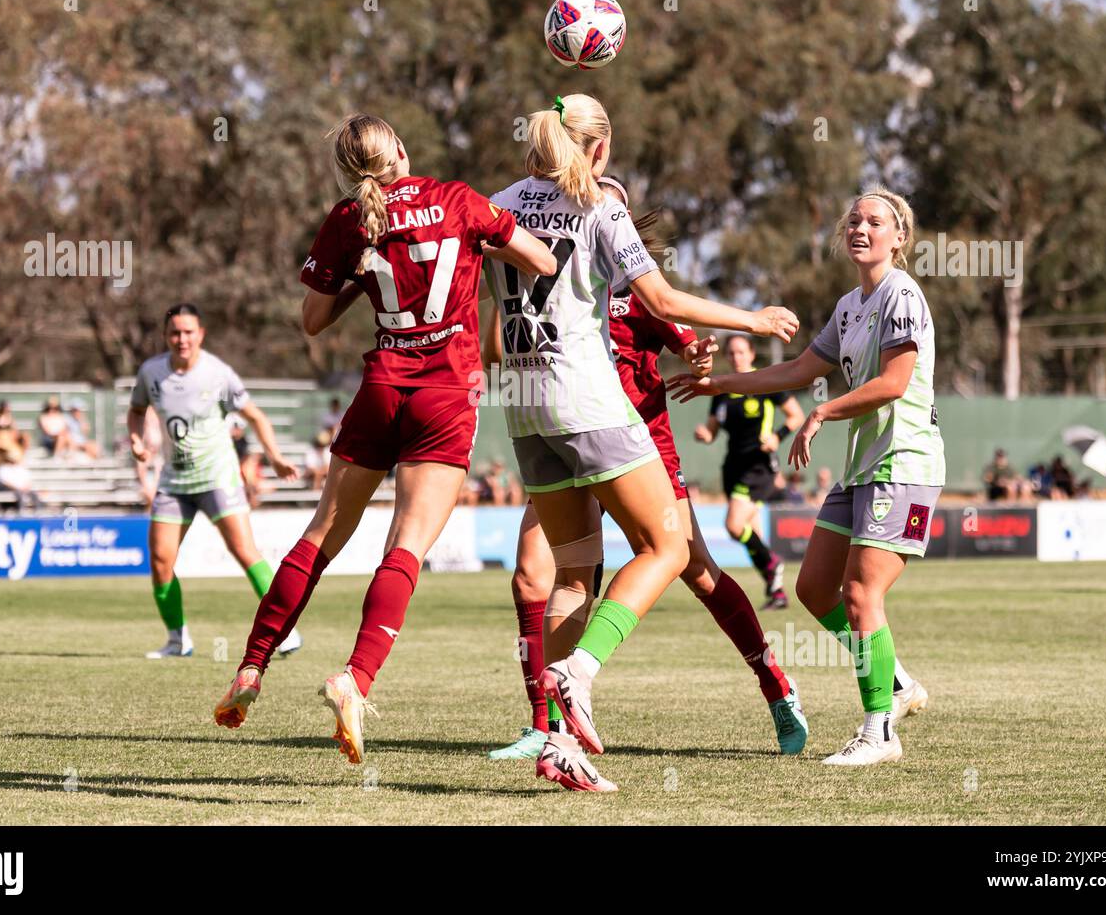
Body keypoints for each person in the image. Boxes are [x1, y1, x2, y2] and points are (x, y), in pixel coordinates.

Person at [213, 112, 558, 764]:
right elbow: (540, 260)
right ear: (400, 148)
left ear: (352, 170)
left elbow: (312, 320)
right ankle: (355, 678)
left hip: (380, 388)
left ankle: (251, 669)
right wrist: (485, 246)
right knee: (405, 546)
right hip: (445, 391)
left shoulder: (350, 221)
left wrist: (361, 271)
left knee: (319, 536)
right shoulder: (458, 199)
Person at [484, 94, 798, 791]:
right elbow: (663, 301)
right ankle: (581, 668)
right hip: (586, 398)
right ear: (598, 149)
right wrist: (753, 316)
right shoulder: (599, 204)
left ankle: (557, 745)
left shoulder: (498, 201)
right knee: (671, 546)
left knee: (572, 573)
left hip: (525, 405)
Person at [670, 185, 940, 766]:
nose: (860, 229)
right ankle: (894, 685)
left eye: (874, 221)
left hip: (905, 463)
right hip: (863, 465)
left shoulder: (903, 295)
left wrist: (823, 411)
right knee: (815, 589)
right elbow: (796, 369)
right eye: (853, 221)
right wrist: (718, 385)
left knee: (862, 592)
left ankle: (879, 733)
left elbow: (894, 382)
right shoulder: (849, 307)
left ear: (899, 237)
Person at [128, 303, 304, 659]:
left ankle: (285, 632)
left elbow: (255, 416)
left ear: (201, 334)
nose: (182, 339)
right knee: (161, 560)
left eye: (189, 332)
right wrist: (136, 440)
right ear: (166, 336)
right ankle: (178, 640)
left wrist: (275, 456)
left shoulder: (218, 374)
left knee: (244, 551)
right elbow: (135, 411)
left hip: (217, 477)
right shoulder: (151, 373)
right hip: (174, 480)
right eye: (175, 332)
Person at [694, 334, 805, 608]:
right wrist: (703, 434)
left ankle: (772, 563)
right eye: (731, 353)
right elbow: (711, 429)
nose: (736, 357)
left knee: (733, 526)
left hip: (758, 465)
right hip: (732, 466)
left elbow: (796, 415)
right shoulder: (722, 390)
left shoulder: (766, 381)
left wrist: (778, 436)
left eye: (741, 352)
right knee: (752, 532)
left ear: (752, 354)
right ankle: (776, 591)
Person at [0, 422, 41, 512]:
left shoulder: (16, 452)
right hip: (7, 486)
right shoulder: (1, 463)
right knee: (18, 494)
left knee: (34, 495)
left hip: (17, 485)